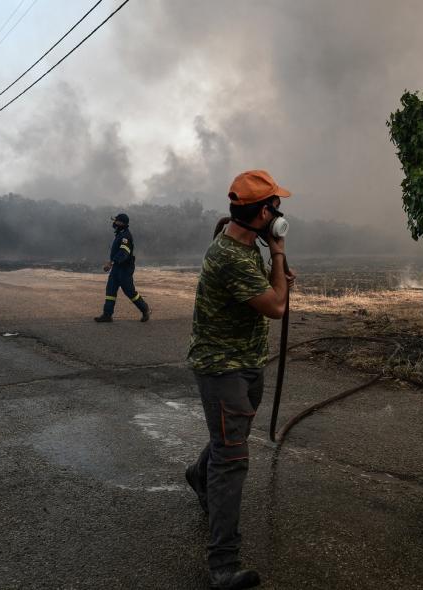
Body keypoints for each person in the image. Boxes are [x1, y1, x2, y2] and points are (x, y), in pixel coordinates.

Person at [184, 170, 295, 590]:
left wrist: (275, 266)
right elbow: (276, 308)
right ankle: (223, 566)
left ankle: (198, 474)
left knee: (229, 441)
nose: (281, 214)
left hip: (248, 361)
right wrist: (280, 258)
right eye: (277, 207)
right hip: (221, 367)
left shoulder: (247, 244)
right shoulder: (230, 255)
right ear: (264, 212)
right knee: (233, 460)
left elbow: (269, 294)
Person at [94, 212, 150, 323]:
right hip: (116, 268)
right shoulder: (120, 234)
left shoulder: (126, 236)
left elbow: (124, 252)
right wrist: (112, 263)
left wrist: (111, 263)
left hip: (124, 269)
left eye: (116, 221)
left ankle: (145, 309)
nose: (114, 223)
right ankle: (107, 315)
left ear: (122, 223)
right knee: (110, 291)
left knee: (130, 292)